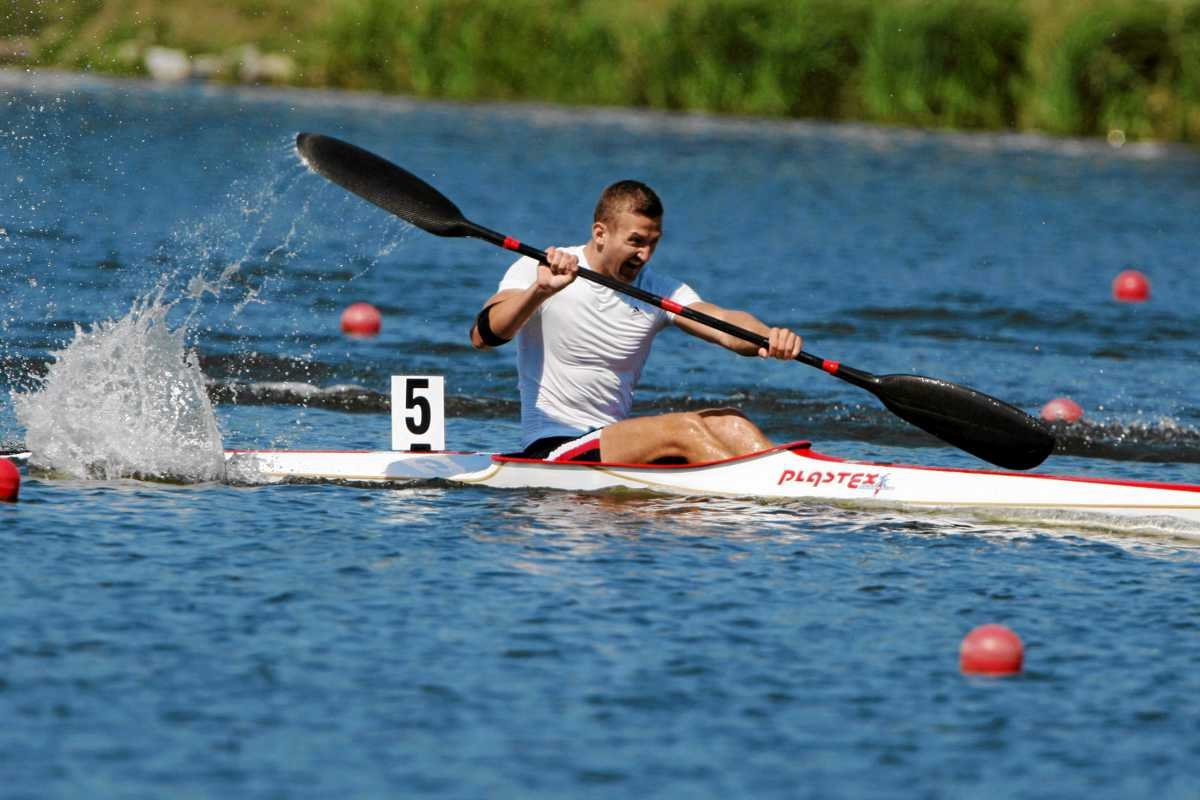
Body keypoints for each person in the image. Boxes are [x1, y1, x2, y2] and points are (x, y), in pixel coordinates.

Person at [470, 180, 802, 464]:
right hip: (552, 447)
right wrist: (539, 292)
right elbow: (483, 335)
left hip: (612, 444)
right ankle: (755, 489)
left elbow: (723, 322)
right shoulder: (541, 269)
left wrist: (767, 336)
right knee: (681, 429)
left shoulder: (658, 289)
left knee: (732, 421)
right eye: (636, 242)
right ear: (600, 233)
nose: (644, 255)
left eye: (653, 243)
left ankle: (792, 481)